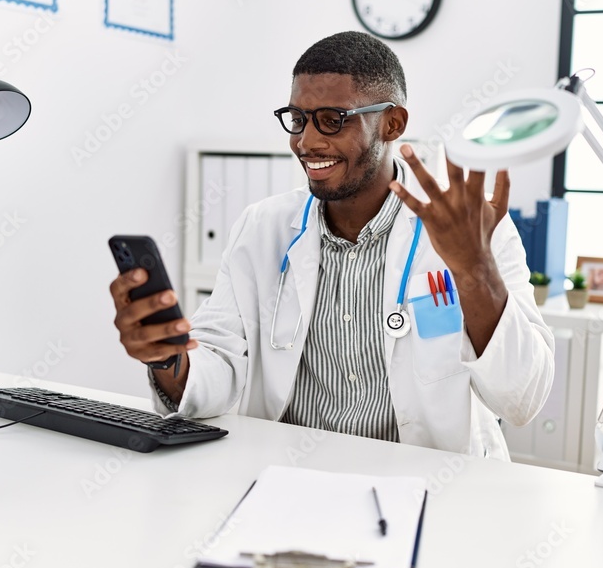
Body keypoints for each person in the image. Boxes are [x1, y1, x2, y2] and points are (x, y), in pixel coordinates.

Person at [109, 31, 555, 459]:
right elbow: (220, 366)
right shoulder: (262, 227)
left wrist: (473, 268)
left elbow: (522, 398)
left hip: (425, 486)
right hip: (286, 476)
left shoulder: (472, 231)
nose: (306, 142)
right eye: (298, 119)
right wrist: (168, 358)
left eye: (332, 120)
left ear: (392, 123)